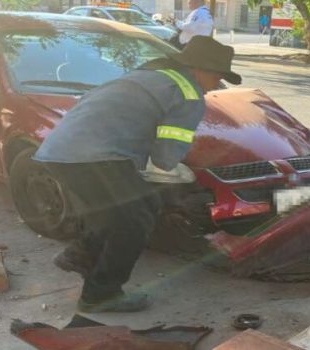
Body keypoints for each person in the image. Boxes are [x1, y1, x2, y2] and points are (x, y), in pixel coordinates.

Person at [33, 36, 241, 313]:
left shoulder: (150, 75)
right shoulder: (189, 94)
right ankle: (101, 294)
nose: (218, 84)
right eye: (218, 77)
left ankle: (78, 256)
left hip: (59, 151)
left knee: (110, 213)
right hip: (98, 156)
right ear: (202, 70)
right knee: (137, 218)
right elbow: (165, 159)